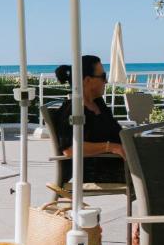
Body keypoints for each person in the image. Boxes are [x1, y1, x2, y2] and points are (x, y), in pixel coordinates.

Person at [53, 55, 126, 184]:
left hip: (115, 164)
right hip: (93, 171)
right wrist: (111, 147)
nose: (106, 81)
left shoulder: (98, 104)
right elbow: (69, 149)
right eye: (103, 77)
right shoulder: (72, 110)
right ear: (87, 80)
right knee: (156, 173)